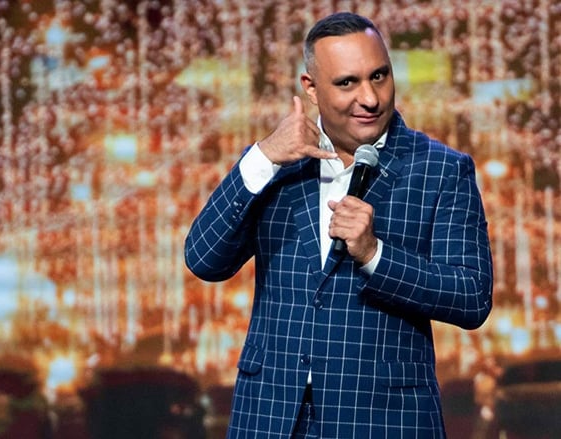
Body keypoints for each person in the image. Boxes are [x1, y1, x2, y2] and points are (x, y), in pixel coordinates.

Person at [184, 12, 493, 438]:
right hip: (271, 418)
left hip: (384, 419)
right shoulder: (277, 165)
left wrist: (375, 255)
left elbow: (472, 296)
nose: (370, 98)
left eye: (379, 76)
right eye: (347, 83)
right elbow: (204, 259)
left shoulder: (441, 169)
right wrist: (263, 157)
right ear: (310, 88)